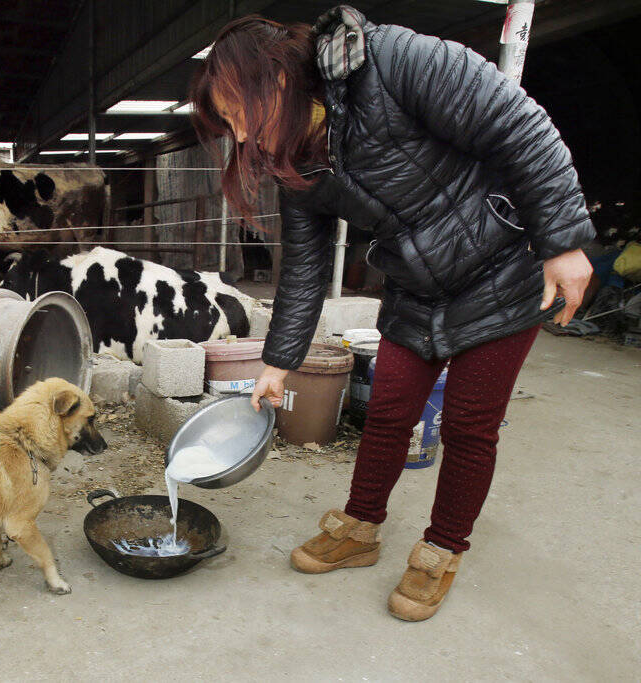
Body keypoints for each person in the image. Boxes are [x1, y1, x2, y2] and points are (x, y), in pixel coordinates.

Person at [190, 5, 594, 621]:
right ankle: (359, 528)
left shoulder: (392, 61)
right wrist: (277, 362)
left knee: (467, 426)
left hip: (501, 273)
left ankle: (441, 550)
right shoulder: (295, 158)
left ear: (274, 78)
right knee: (386, 413)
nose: (241, 136)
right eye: (230, 126)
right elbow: (303, 266)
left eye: (238, 113)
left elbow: (519, 125)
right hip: (414, 288)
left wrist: (563, 241)